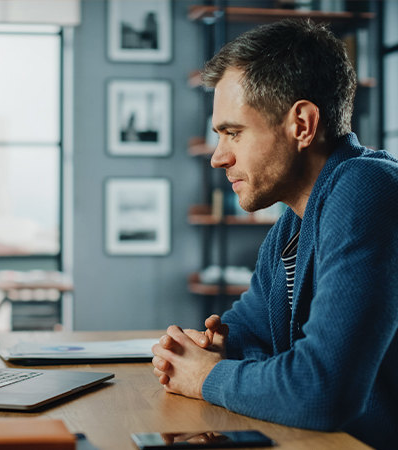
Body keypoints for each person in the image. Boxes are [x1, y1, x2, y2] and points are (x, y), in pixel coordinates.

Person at [151, 19, 398, 450]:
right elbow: (247, 332)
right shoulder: (295, 221)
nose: (218, 158)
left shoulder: (368, 189)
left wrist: (206, 376)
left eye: (233, 133)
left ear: (302, 124)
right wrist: (211, 350)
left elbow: (321, 390)